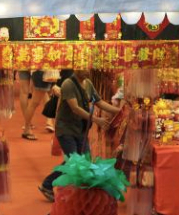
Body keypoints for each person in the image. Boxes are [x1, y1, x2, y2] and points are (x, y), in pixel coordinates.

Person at [39, 69, 120, 202]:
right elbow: (75, 108)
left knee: (85, 161)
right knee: (74, 162)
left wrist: (119, 111)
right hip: (66, 129)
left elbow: (98, 101)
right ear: (76, 69)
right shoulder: (68, 84)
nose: (87, 71)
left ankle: (78, 191)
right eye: (83, 68)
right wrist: (95, 119)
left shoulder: (88, 83)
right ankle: (48, 184)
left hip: (81, 129)